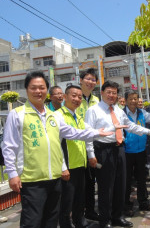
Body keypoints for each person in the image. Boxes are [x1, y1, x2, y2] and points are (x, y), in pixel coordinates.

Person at [1, 71, 112, 228]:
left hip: (54, 179)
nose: (38, 91)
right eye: (34, 88)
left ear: (46, 90)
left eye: (42, 87)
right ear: (26, 90)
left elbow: (73, 132)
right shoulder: (18, 114)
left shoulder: (52, 116)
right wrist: (12, 173)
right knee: (32, 222)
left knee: (51, 221)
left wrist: (96, 133)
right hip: (32, 180)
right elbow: (8, 146)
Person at [85, 80, 150, 228]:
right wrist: (91, 155)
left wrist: (148, 131)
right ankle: (105, 220)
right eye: (108, 92)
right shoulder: (93, 111)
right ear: (101, 93)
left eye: (114, 93)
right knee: (105, 188)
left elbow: (131, 126)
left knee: (120, 186)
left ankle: (117, 217)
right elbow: (88, 134)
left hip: (120, 149)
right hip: (102, 150)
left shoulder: (119, 110)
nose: (111, 95)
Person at [123, 90, 150, 216]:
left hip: (141, 150)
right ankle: (126, 206)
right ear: (126, 100)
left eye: (135, 98)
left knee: (141, 179)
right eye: (131, 99)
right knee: (126, 180)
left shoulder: (141, 112)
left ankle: (143, 203)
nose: (133, 101)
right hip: (126, 151)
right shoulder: (121, 113)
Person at [57, 85, 95, 228]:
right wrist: (63, 167)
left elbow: (89, 134)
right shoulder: (58, 115)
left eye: (79, 97)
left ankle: (80, 222)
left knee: (79, 198)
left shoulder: (78, 117)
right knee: (66, 201)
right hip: (68, 166)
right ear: (65, 97)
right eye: (73, 95)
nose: (77, 99)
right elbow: (56, 145)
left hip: (80, 164)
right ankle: (66, 225)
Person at [76, 68, 100, 221]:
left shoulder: (97, 100)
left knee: (91, 182)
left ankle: (90, 211)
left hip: (93, 145)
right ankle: (77, 215)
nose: (91, 82)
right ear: (81, 80)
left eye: (93, 80)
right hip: (76, 145)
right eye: (88, 79)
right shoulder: (74, 98)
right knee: (78, 184)